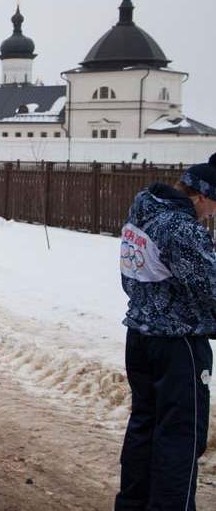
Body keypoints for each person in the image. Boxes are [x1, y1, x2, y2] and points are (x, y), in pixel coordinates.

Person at [114, 155, 216, 510]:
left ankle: (132, 504)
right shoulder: (181, 229)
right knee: (180, 436)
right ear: (201, 197)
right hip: (178, 345)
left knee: (144, 425)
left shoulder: (143, 211)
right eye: (214, 206)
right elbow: (210, 287)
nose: (211, 215)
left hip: (140, 335)